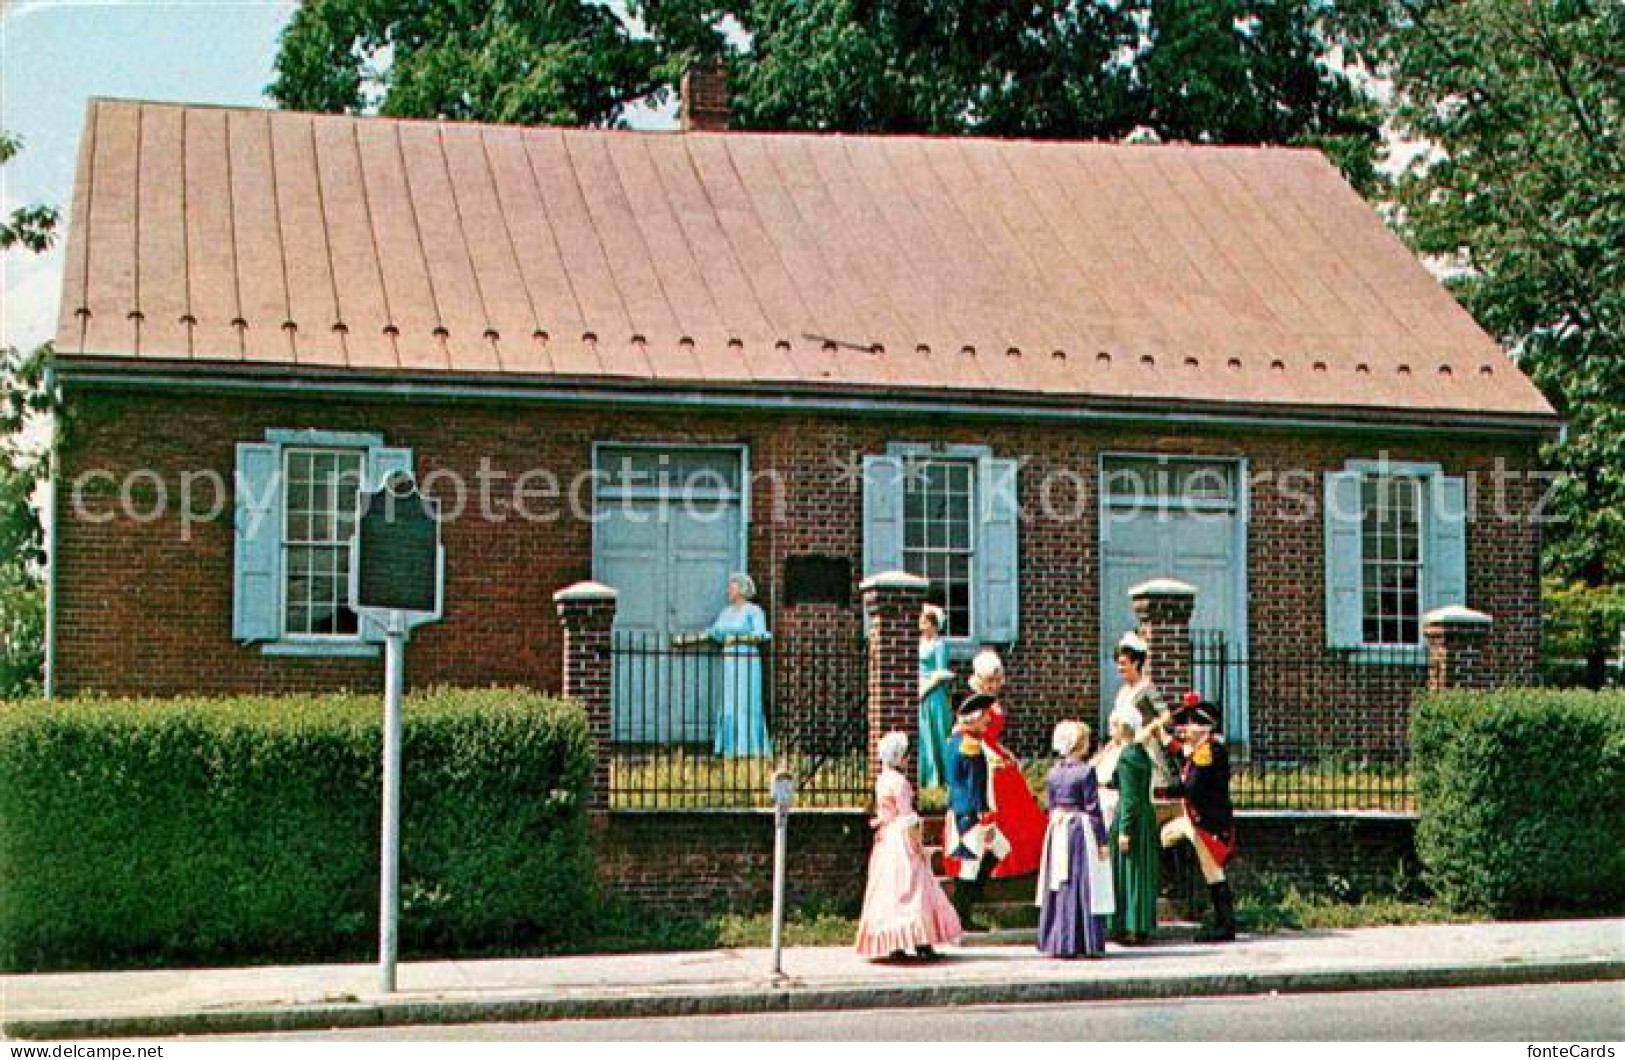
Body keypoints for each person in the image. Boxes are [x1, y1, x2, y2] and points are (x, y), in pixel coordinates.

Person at [855, 732, 963, 961]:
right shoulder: (901, 783)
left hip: (886, 839)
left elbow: (886, 812)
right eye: (906, 755)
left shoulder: (882, 779)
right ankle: (921, 941)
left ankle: (897, 944)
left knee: (890, 890)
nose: (908, 759)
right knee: (916, 888)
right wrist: (918, 844)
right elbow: (908, 817)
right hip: (901, 837)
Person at [1161, 696, 1238, 942]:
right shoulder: (1201, 749)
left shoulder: (1208, 752)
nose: (1184, 728)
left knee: (1213, 872)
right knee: (1166, 837)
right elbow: (1185, 756)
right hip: (1194, 819)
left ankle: (1225, 925)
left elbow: (1191, 787)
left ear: (1205, 727)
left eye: (1190, 723)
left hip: (1207, 822)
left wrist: (1159, 791)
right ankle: (1174, 886)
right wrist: (1165, 739)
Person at [1036, 721, 1114, 958]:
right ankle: (1081, 939)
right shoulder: (1086, 771)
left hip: (1057, 827)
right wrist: (1102, 841)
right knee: (1081, 880)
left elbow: (1050, 805)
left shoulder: (1053, 772)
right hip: (1079, 830)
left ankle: (1057, 938)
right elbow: (1093, 808)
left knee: (1058, 882)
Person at [968, 650, 1047, 880]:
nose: (993, 685)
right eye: (988, 680)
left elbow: (992, 737)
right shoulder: (976, 704)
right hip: (986, 760)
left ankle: (1020, 857)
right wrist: (992, 756)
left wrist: (1003, 751)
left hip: (996, 755)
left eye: (996, 680)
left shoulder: (991, 702)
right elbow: (974, 736)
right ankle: (1000, 862)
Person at [942, 694, 1008, 931]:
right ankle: (963, 912)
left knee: (998, 850)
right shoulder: (970, 746)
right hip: (971, 814)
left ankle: (970, 900)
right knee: (971, 863)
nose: (988, 720)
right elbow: (975, 786)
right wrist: (985, 816)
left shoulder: (955, 739)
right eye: (984, 716)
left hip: (960, 811)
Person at [1102, 707, 1159, 944]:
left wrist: (1124, 830)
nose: (1110, 731)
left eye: (1113, 726)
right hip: (1145, 816)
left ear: (1122, 728)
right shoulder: (1141, 753)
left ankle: (1128, 926)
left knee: (1129, 873)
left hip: (1131, 820)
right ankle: (1141, 924)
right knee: (1141, 872)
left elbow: (1128, 797)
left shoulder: (1126, 756)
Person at [704, 572, 772, 757]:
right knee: (730, 699)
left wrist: (739, 638)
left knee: (746, 700)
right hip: (729, 660)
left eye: (732, 585)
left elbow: (761, 634)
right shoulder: (726, 612)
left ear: (741, 588)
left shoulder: (754, 611)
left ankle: (749, 747)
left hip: (746, 658)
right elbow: (716, 632)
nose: (729, 590)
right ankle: (729, 747)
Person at [1112, 631, 1180, 801]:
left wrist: (1148, 730)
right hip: (1125, 748)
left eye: (1123, 663)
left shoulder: (1146, 687)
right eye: (1118, 664)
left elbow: (1166, 716)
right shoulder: (1122, 692)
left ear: (1136, 663)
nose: (1120, 668)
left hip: (1146, 748)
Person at [916, 605, 956, 790]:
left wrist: (925, 689)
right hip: (920, 690)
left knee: (938, 732)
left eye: (925, 621)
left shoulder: (939, 645)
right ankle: (925, 776)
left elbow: (941, 672)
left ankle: (941, 777)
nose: (921, 623)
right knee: (924, 734)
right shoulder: (919, 642)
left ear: (934, 625)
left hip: (933, 693)